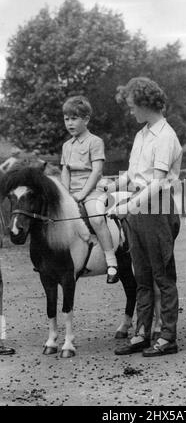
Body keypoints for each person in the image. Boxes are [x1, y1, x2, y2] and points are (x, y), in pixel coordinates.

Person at [107, 77, 182, 357]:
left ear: (144, 103)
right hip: (138, 208)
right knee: (142, 276)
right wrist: (114, 186)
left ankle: (168, 337)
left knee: (163, 276)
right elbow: (134, 176)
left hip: (156, 209)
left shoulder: (165, 136)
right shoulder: (142, 135)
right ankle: (142, 332)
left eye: (131, 106)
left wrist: (128, 206)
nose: (130, 111)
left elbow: (157, 183)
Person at [61, 95, 119, 284]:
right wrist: (65, 194)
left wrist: (82, 194)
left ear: (86, 119)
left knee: (96, 218)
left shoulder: (95, 142)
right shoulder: (66, 146)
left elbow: (97, 172)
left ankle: (111, 262)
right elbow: (65, 171)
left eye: (74, 118)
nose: (70, 123)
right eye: (66, 119)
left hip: (92, 191)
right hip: (72, 194)